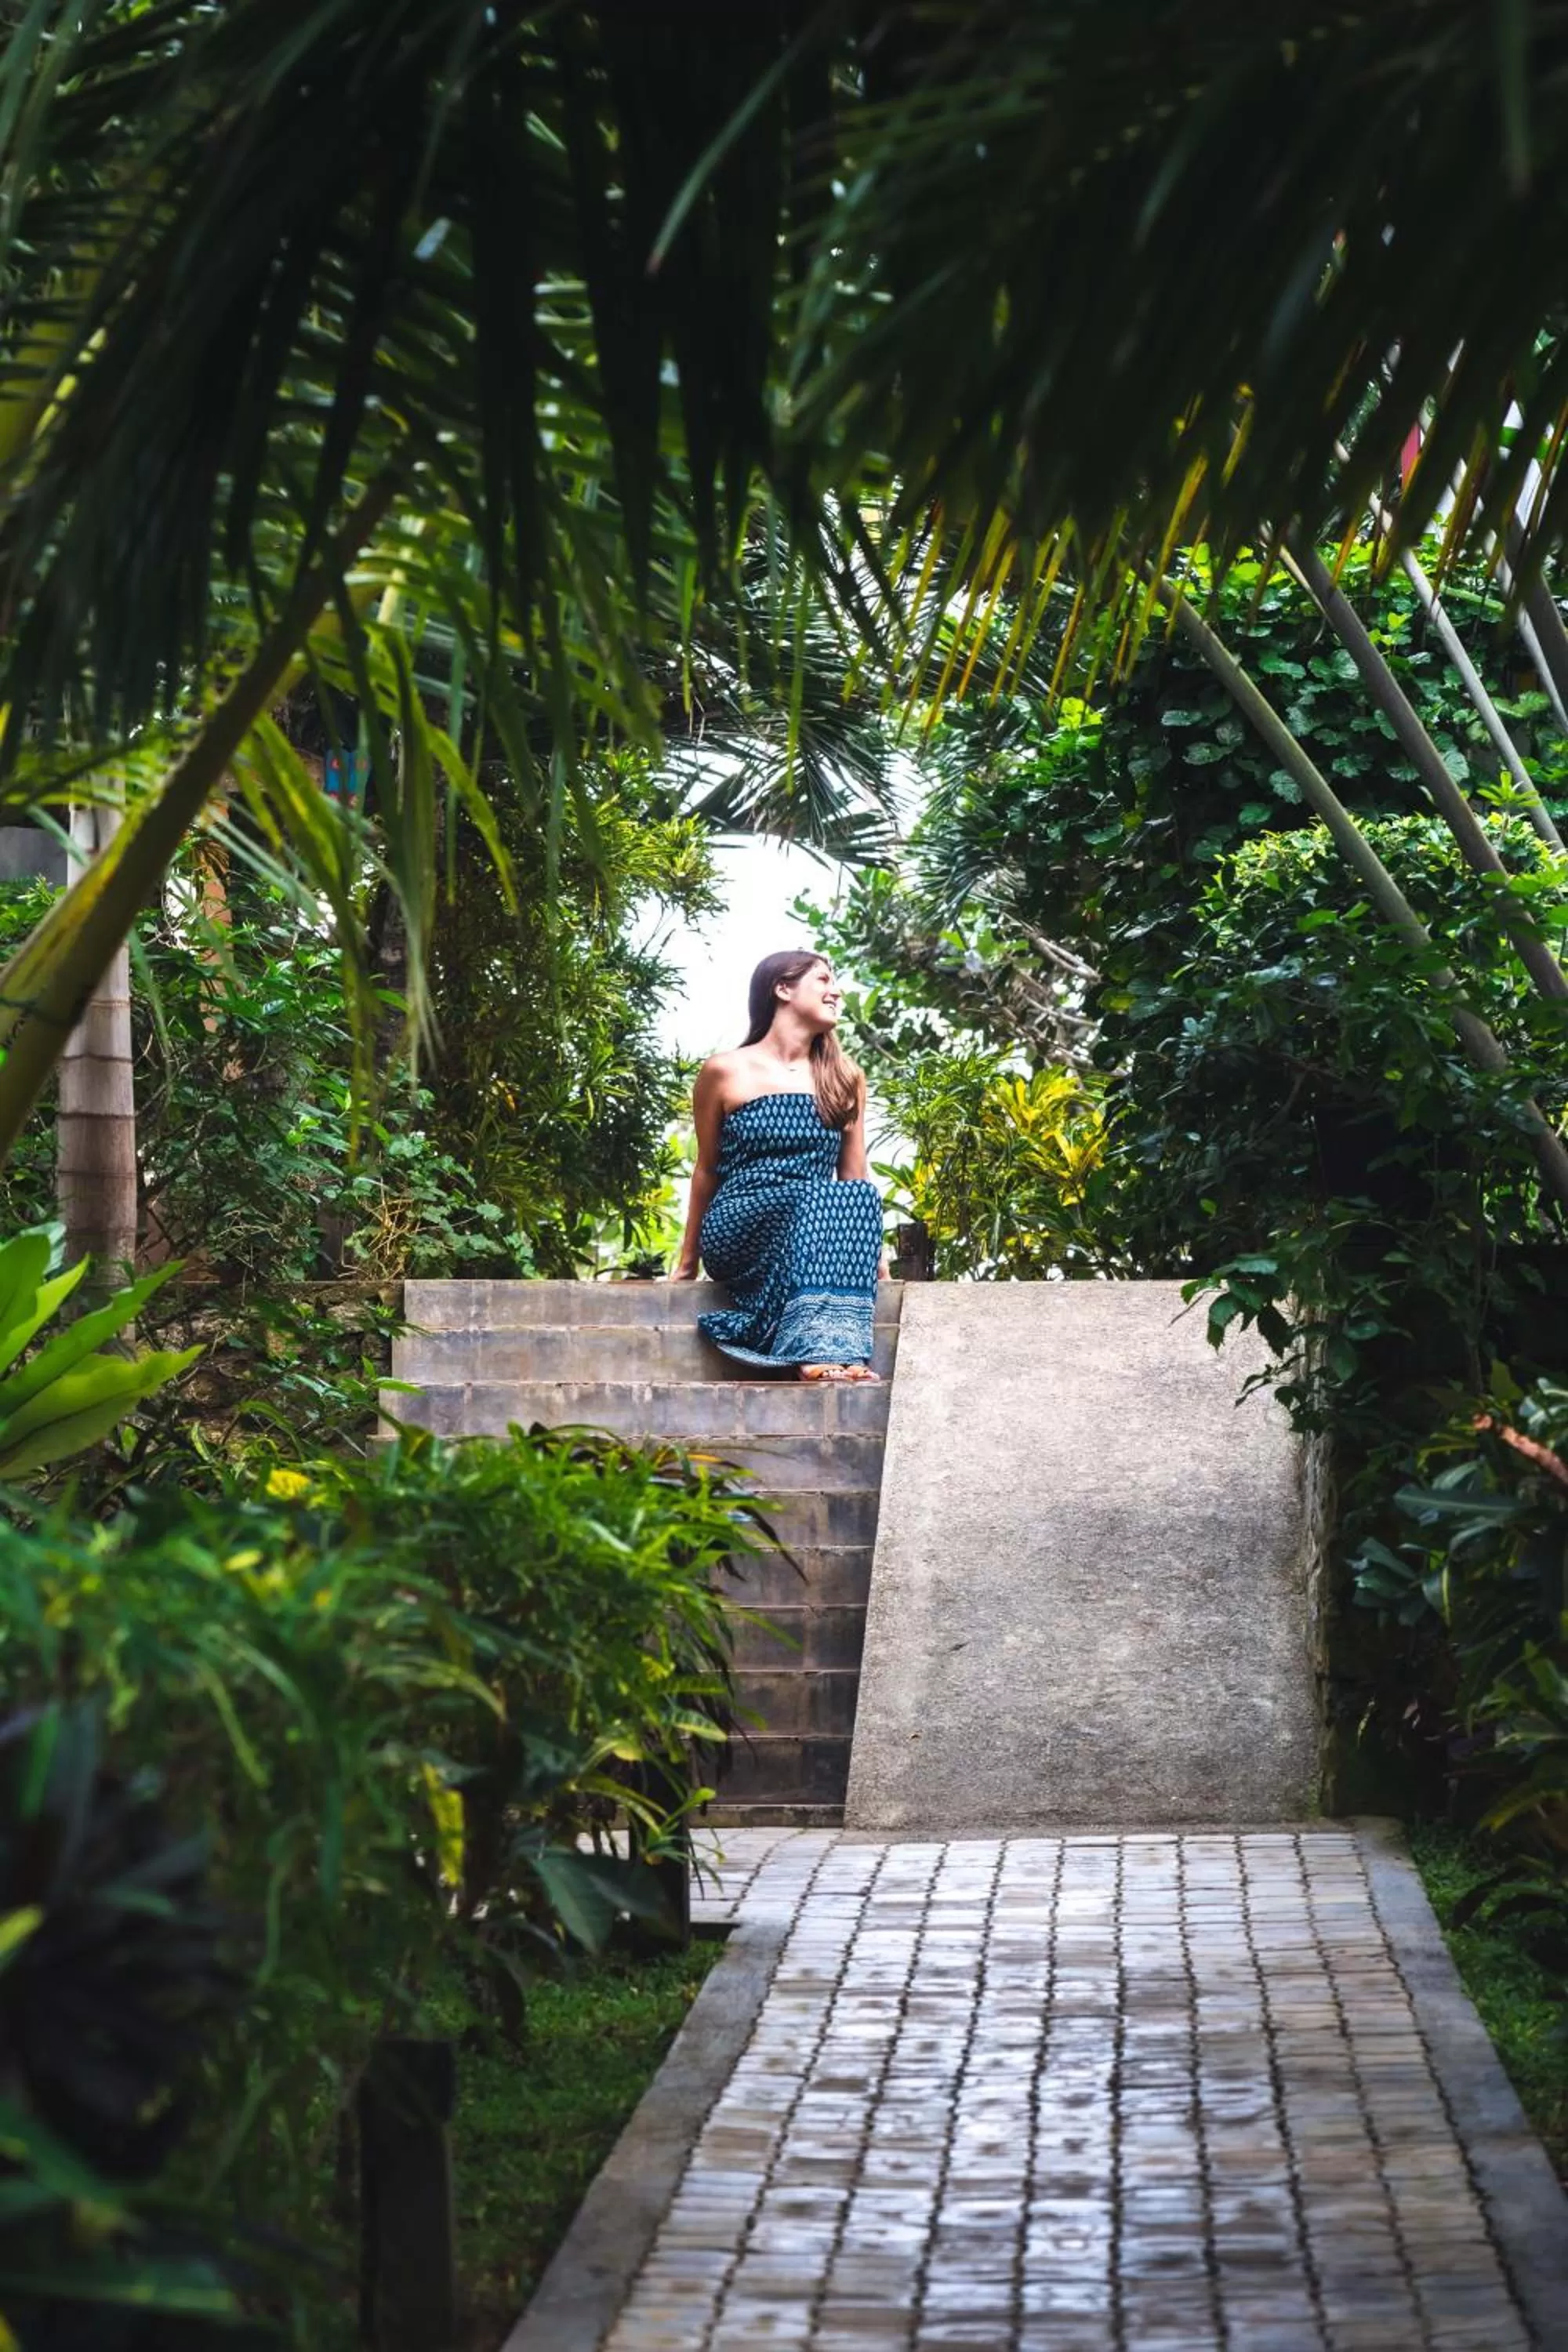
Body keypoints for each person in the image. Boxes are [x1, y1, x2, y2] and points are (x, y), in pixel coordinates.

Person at [670, 949, 887, 1381]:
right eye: (823, 980)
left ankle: (841, 1354)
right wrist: (687, 1263)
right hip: (739, 1225)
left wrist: (873, 1254)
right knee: (820, 1197)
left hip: (812, 1226)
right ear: (783, 988)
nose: (836, 991)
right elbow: (707, 1169)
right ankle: (813, 1350)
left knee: (856, 1194)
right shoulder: (725, 1070)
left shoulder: (845, 1077)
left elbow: (853, 1174)